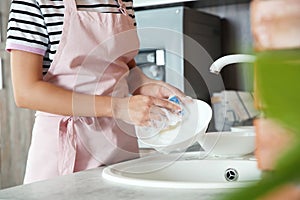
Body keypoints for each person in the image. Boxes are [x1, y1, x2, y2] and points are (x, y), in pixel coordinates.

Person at [6, 0, 185, 184]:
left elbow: (124, 66)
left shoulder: (122, 2)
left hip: (119, 148)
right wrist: (117, 107)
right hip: (63, 153)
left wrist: (144, 84)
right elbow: (26, 92)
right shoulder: (33, 2)